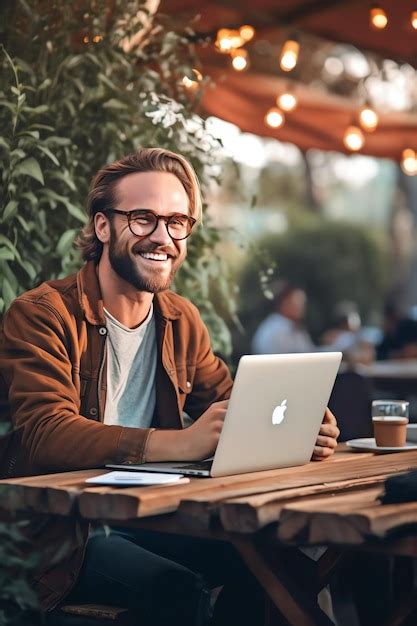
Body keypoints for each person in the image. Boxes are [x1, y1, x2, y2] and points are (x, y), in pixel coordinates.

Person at [0, 148, 339, 626]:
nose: (162, 237)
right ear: (103, 227)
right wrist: (180, 442)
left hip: (149, 517)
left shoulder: (179, 318)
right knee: (176, 589)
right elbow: (45, 432)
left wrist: (299, 428)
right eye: (142, 219)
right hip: (61, 537)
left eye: (177, 221)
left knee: (278, 565)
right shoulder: (42, 314)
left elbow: (228, 399)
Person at [251, 281, 315, 354]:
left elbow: (310, 354)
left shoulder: (295, 328)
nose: (302, 306)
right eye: (297, 300)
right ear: (284, 303)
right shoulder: (275, 332)